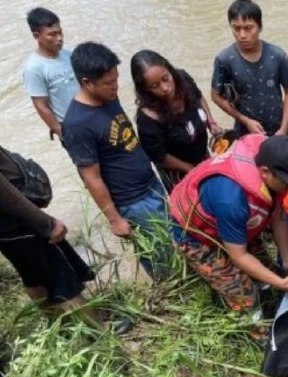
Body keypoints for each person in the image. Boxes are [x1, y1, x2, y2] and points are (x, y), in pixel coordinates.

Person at [170, 134, 288, 315]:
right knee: (244, 295)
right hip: (197, 234)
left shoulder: (275, 171)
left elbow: (278, 215)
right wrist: (281, 283)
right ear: (264, 172)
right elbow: (239, 257)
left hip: (233, 220)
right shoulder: (232, 200)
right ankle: (257, 331)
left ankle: (269, 301)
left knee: (268, 273)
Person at [62, 41, 170, 280]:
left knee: (174, 239)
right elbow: (91, 176)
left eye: (116, 79)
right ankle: (171, 290)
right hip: (132, 200)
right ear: (86, 83)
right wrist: (115, 219)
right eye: (109, 83)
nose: (115, 87)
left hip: (151, 184)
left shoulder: (108, 97)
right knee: (159, 254)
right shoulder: (77, 125)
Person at [0, 145, 130, 334]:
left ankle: (59, 327)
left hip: (8, 228)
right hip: (17, 221)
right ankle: (101, 333)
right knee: (62, 281)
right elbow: (5, 193)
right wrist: (46, 224)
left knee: (32, 276)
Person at [132, 50, 222, 193]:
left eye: (165, 78)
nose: (165, 88)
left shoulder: (182, 79)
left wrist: (211, 122)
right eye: (155, 86)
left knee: (216, 192)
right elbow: (160, 157)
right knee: (193, 208)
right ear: (145, 90)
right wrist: (190, 169)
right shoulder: (148, 119)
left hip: (201, 154)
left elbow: (199, 97)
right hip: (177, 171)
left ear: (169, 70)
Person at [211, 0, 288, 137]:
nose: (242, 35)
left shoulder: (277, 55)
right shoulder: (224, 60)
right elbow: (215, 96)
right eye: (236, 28)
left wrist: (284, 128)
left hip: (279, 130)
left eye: (248, 28)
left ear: (260, 27)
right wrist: (244, 120)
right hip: (245, 132)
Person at [23, 7, 78, 141]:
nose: (59, 38)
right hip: (71, 128)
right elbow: (41, 105)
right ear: (37, 36)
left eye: (60, 33)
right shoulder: (33, 68)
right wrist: (62, 133)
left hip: (91, 119)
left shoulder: (68, 55)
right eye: (52, 34)